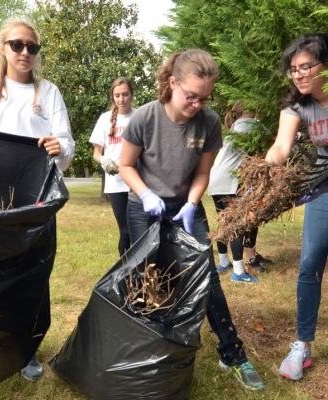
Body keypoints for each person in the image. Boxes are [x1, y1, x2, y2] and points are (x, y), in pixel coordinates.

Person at [119, 49, 264, 391]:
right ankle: (145, 354)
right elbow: (126, 166)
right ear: (172, 83)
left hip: (187, 205)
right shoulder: (144, 117)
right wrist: (146, 194)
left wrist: (191, 203)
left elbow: (203, 172)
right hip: (144, 204)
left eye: (204, 98)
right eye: (191, 95)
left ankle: (233, 354)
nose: (197, 104)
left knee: (207, 277)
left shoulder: (210, 122)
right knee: (145, 278)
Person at [0, 16, 75, 381]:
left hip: (32, 205)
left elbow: (67, 143)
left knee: (30, 278)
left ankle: (26, 351)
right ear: (3, 48)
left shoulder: (49, 92)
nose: (25, 52)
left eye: (32, 47)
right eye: (17, 45)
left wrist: (60, 147)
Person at [265, 32, 328, 381]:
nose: (300, 75)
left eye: (307, 67)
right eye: (294, 69)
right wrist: (267, 166)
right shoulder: (298, 105)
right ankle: (302, 345)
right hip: (325, 189)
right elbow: (281, 147)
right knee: (309, 264)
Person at [208, 101, 273, 283]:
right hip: (230, 180)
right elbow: (273, 140)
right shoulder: (250, 123)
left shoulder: (234, 126)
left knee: (224, 223)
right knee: (237, 225)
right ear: (251, 109)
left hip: (215, 181)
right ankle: (238, 272)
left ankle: (223, 263)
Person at [89, 77, 135, 256]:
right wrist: (105, 161)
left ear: (132, 95)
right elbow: (96, 153)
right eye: (117, 95)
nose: (121, 99)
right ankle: (125, 272)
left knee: (140, 231)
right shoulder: (104, 119)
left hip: (136, 182)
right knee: (125, 231)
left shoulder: (139, 116)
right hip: (116, 184)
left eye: (125, 94)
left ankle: (142, 272)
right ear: (112, 97)